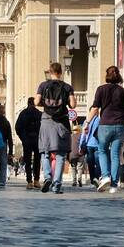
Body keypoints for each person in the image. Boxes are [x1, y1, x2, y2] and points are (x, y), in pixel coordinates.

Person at [85, 65, 124, 194]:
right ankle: (114, 185)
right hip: (120, 126)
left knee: (102, 151)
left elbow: (95, 109)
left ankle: (105, 176)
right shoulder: (123, 92)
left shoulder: (101, 89)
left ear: (107, 76)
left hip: (105, 125)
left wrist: (87, 123)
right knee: (116, 154)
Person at [36, 62, 75, 194]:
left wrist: (46, 104)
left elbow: (36, 102)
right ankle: (57, 184)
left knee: (45, 152)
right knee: (60, 154)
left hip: (46, 120)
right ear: (61, 72)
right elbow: (73, 105)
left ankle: (47, 177)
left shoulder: (43, 85)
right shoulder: (67, 87)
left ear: (50, 72)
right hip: (62, 122)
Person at [16, 96, 42, 190]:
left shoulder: (23, 113)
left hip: (27, 140)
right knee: (37, 161)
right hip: (37, 140)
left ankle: (29, 181)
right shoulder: (39, 114)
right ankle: (36, 180)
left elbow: (17, 127)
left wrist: (23, 138)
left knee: (27, 161)